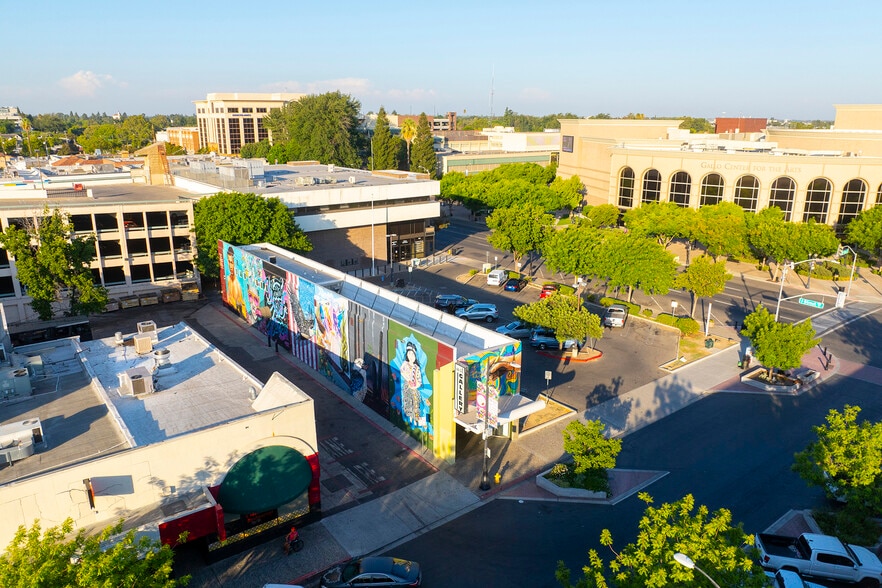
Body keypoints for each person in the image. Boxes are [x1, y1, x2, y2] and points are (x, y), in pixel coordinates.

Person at [225, 246, 245, 317]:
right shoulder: (228, 278)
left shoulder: (238, 281)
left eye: (231, 262)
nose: (230, 265)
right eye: (229, 262)